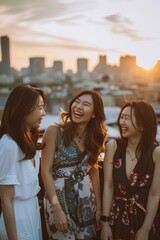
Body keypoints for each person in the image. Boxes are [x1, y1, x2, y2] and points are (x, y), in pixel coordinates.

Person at [41, 90, 108, 240]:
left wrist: (98, 207)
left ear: (94, 114)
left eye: (85, 104)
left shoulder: (96, 137)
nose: (78, 106)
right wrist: (56, 208)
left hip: (85, 200)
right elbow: (45, 171)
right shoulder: (54, 131)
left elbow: (93, 170)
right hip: (58, 199)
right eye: (77, 102)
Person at [101, 100, 160, 240]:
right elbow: (108, 187)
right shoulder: (113, 147)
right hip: (116, 217)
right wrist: (105, 223)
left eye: (127, 118)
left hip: (144, 218)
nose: (122, 122)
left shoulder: (156, 153)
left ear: (142, 124)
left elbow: (154, 194)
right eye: (121, 117)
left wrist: (145, 228)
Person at [0, 84, 46, 240]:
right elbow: (5, 200)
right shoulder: (9, 145)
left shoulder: (28, 140)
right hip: (16, 217)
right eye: (40, 108)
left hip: (32, 211)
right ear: (23, 109)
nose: (44, 113)